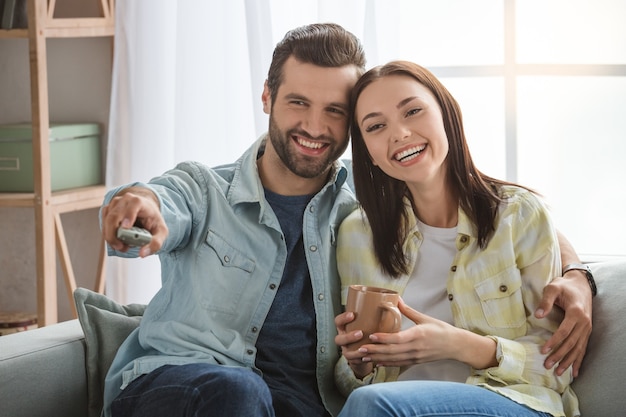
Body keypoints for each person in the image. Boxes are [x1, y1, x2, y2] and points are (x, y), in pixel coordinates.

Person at [99, 24, 590, 417]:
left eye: (334, 111)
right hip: (185, 384)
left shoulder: (364, 205)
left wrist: (576, 275)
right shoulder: (209, 190)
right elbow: (159, 200)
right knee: (238, 392)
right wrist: (136, 205)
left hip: (300, 402)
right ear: (267, 97)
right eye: (298, 103)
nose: (315, 127)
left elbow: (504, 217)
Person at [334, 61, 583, 417]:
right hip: (390, 404)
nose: (400, 133)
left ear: (446, 114)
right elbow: (346, 381)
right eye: (376, 126)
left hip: (512, 401)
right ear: (368, 153)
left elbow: (557, 368)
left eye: (413, 111)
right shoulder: (357, 234)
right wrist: (358, 366)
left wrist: (460, 346)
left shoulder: (519, 215)